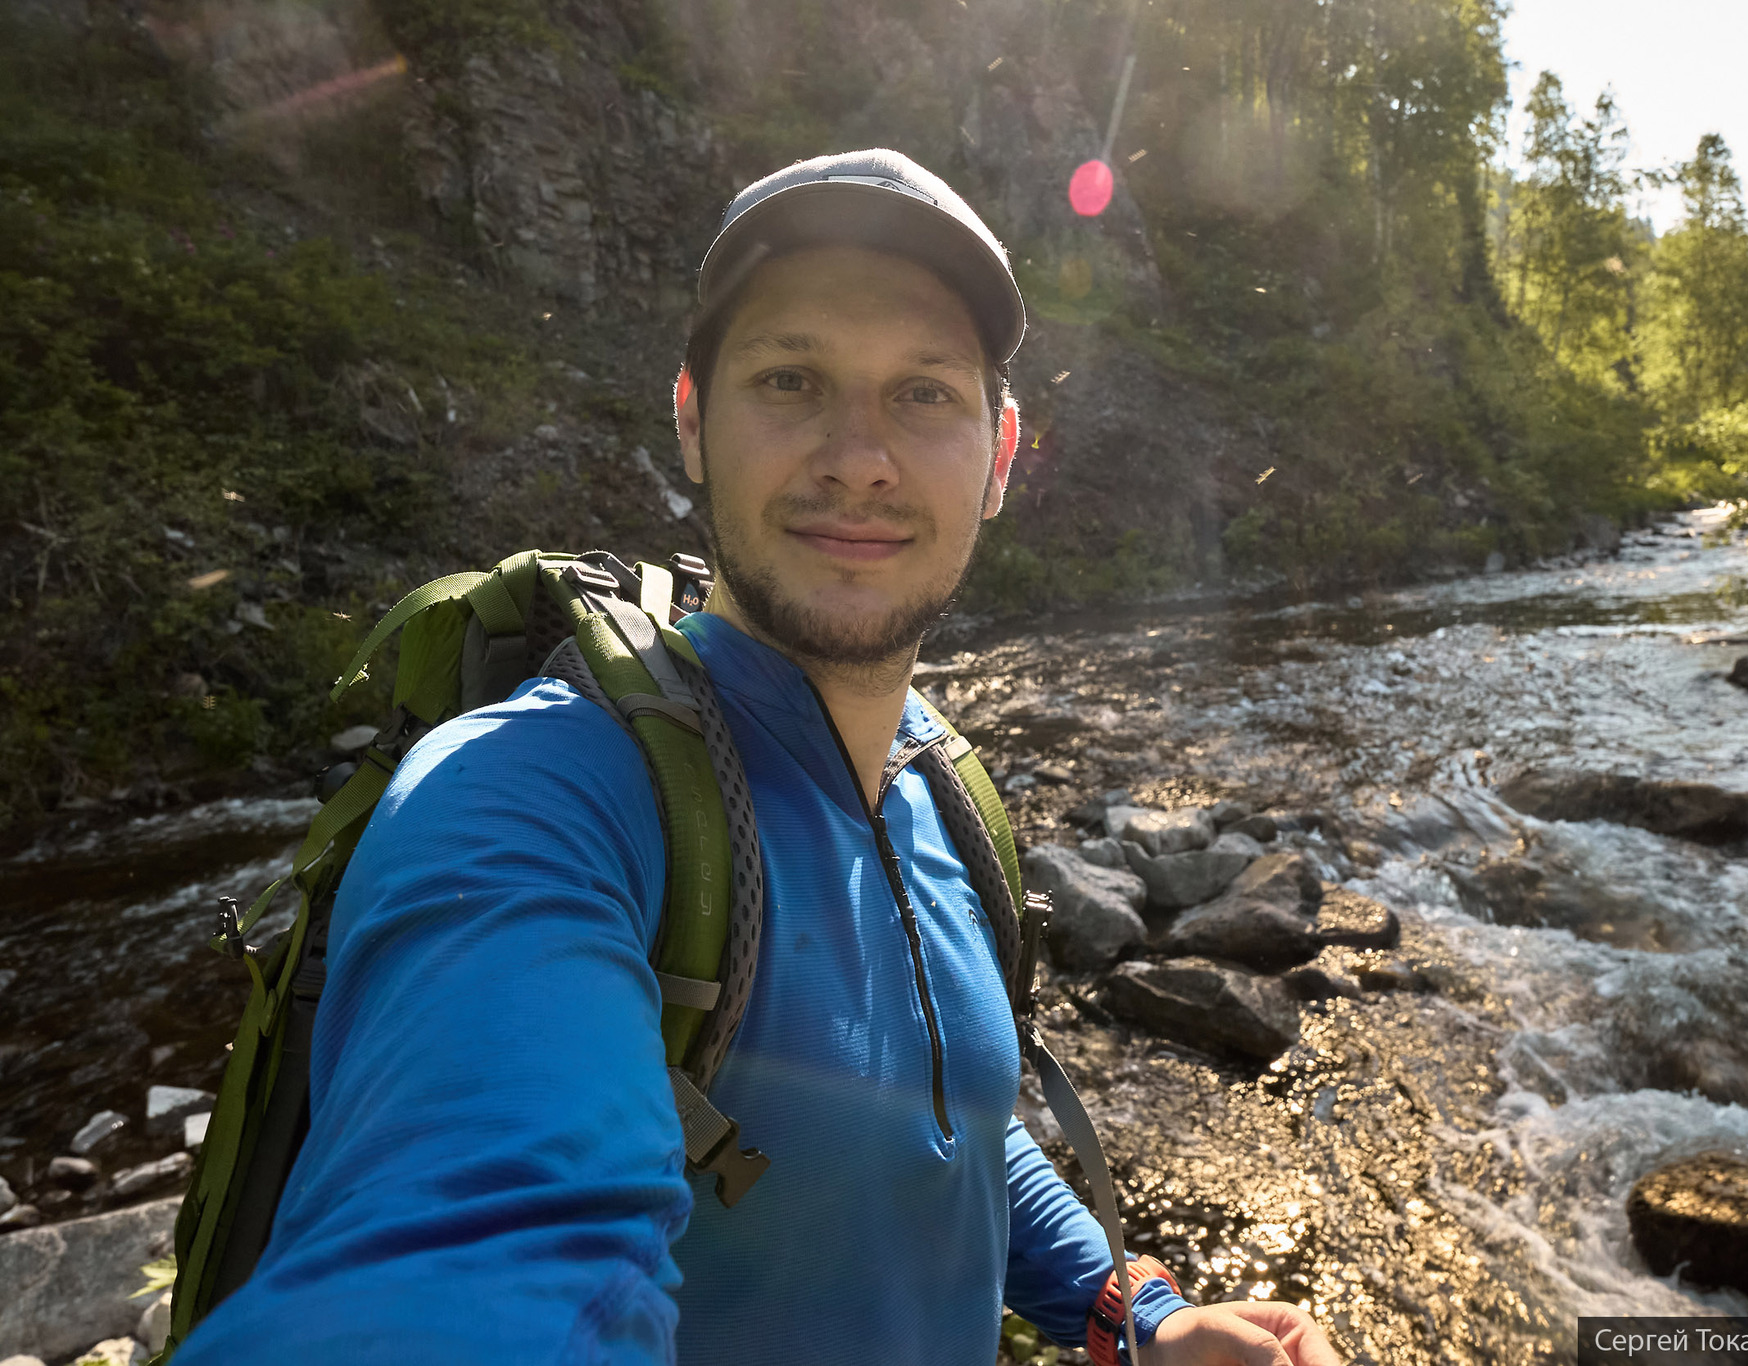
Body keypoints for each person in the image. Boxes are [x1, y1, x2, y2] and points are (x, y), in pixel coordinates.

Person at [172, 149, 1341, 1366]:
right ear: (691, 420)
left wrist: (1137, 1316)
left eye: (922, 394)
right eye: (791, 379)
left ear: (999, 457)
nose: (858, 456)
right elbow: (471, 1251)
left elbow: (940, 1120)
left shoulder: (944, 782)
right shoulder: (530, 796)